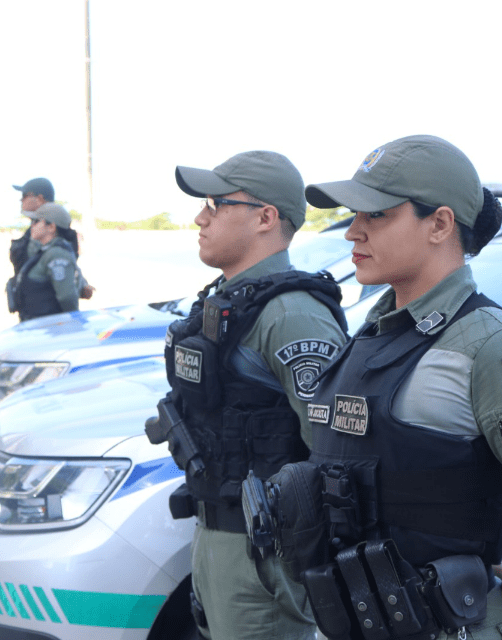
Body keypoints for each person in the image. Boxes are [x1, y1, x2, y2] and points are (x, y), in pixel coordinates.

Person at [281, 135, 502, 640]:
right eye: (355, 215)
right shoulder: (372, 335)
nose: (353, 232)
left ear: (438, 224)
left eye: (376, 216)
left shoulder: (490, 347)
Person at [151, 150, 348, 639]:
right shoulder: (227, 301)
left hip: (265, 552)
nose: (201, 217)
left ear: (265, 217)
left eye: (216, 205)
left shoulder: (292, 316)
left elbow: (339, 449)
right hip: (221, 536)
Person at [8, 177, 95, 307]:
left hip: (50, 313)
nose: (21, 199)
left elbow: (66, 262)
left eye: (25, 195)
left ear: (40, 198)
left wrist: (82, 285)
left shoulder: (53, 229)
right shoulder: (38, 229)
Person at [13, 202, 80, 322]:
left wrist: (76, 322)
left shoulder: (56, 254)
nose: (32, 226)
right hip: (39, 326)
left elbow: (67, 297)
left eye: (36, 221)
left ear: (51, 227)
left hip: (49, 329)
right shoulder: (45, 250)